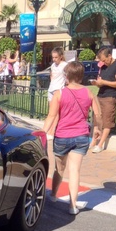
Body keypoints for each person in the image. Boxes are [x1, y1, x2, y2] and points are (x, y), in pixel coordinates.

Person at [43, 61, 102, 215]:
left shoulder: (59, 93)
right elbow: (98, 114)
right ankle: (73, 205)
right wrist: (97, 128)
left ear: (66, 76)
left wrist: (43, 132)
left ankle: (54, 194)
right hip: (81, 136)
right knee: (75, 170)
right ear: (81, 76)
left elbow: (51, 116)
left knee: (60, 169)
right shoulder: (89, 93)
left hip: (62, 135)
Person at [92, 47, 116, 153]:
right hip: (100, 95)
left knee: (107, 121)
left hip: (110, 96)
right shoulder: (104, 67)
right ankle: (93, 142)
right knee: (96, 119)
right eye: (101, 60)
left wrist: (104, 82)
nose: (103, 62)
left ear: (109, 56)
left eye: (104, 60)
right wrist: (97, 83)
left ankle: (100, 144)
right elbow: (101, 81)